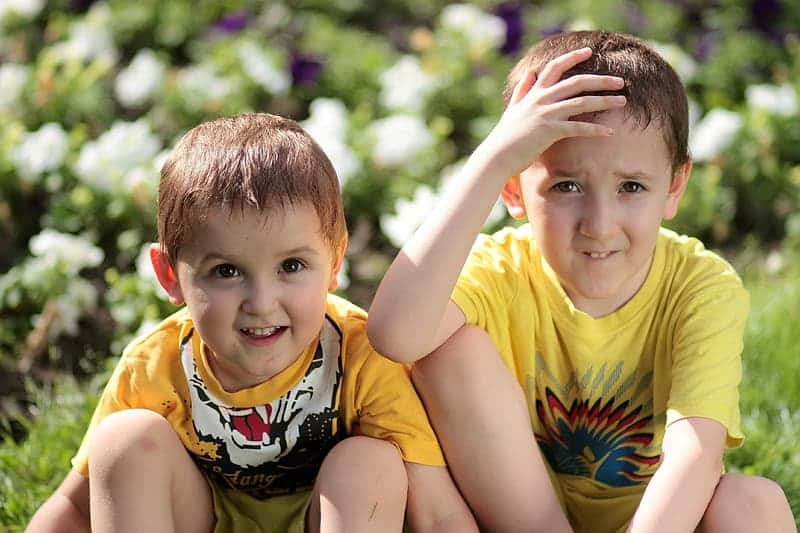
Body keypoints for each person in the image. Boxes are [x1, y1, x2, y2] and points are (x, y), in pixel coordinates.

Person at [367, 31, 796, 533]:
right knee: (448, 350)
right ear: (513, 189)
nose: (599, 224)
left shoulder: (699, 286)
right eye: (567, 185)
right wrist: (493, 159)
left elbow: (695, 453)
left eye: (631, 186)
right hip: (522, 522)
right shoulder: (499, 271)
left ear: (675, 186)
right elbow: (395, 335)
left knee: (753, 502)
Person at [26, 113, 477, 533]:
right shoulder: (155, 367)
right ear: (169, 275)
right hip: (203, 518)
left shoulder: (363, 358)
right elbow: (76, 506)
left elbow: (438, 513)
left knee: (370, 464)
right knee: (125, 440)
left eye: (292, 266)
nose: (261, 303)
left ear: (335, 260)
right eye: (226, 271)